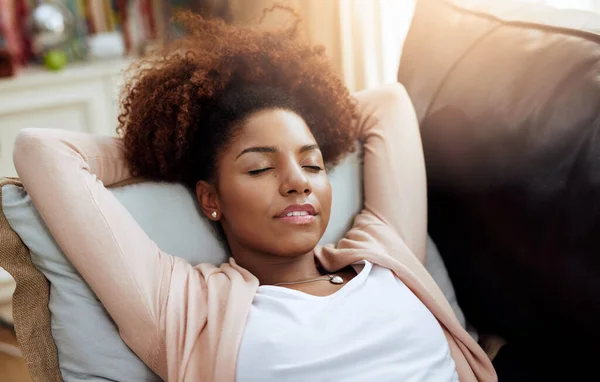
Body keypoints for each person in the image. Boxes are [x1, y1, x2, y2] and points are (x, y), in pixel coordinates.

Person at [13, 9, 496, 382]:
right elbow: (42, 150)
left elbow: (385, 105)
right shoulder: (188, 312)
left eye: (312, 164)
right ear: (209, 199)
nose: (298, 181)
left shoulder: (384, 254)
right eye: (260, 167)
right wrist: (174, 154)